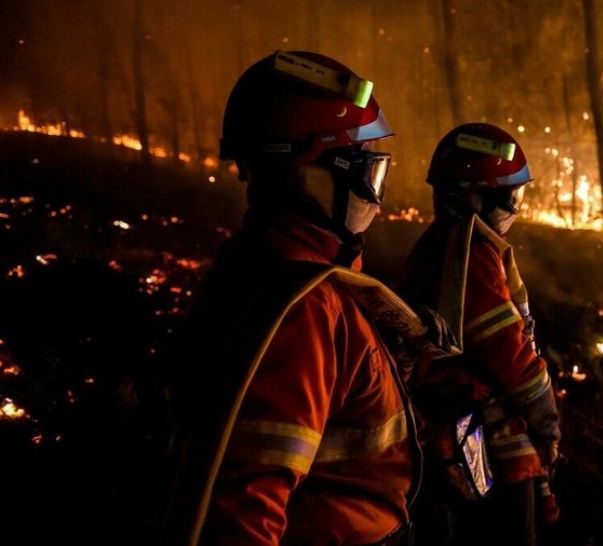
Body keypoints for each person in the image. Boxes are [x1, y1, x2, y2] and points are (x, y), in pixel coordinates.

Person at [165, 51, 436, 546]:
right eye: (369, 173)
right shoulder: (302, 308)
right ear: (312, 174)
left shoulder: (291, 272)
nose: (375, 196)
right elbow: (243, 509)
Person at [400, 123, 561, 546]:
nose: (515, 208)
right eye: (512, 196)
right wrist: (547, 421)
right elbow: (509, 355)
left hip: (445, 443)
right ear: (482, 196)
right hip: (489, 452)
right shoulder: (472, 254)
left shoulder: (431, 246)